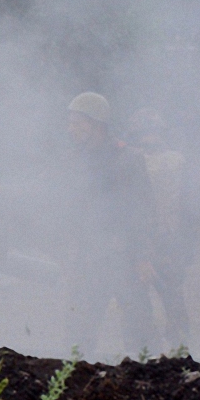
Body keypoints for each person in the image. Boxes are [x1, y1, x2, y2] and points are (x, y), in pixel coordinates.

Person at [59, 92, 157, 357]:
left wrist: (143, 258)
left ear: (96, 124)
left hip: (125, 258)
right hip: (88, 259)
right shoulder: (72, 160)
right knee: (79, 337)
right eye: (70, 123)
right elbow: (66, 209)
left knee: (141, 336)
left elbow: (142, 212)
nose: (71, 129)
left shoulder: (128, 159)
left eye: (77, 123)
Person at [128, 107, 191, 347]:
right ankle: (154, 347)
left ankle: (176, 344)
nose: (148, 138)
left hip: (164, 237)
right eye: (144, 133)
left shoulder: (169, 161)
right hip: (147, 235)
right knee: (143, 296)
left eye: (151, 132)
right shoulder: (172, 159)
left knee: (169, 293)